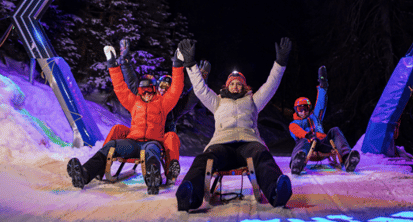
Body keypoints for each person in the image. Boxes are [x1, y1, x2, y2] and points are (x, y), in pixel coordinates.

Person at [175, 37, 294, 211]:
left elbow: (270, 86)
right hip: (221, 145)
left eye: (239, 84)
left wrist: (280, 63)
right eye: (232, 83)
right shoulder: (217, 101)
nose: (236, 86)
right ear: (227, 86)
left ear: (245, 87)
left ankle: (276, 189)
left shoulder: (253, 101)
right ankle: (189, 194)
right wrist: (191, 64)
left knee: (262, 154)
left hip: (249, 143)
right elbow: (200, 89)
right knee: (203, 159)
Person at [66, 41, 184, 194]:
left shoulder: (163, 103)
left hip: (153, 142)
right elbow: (120, 87)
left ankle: (152, 179)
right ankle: (85, 173)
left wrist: (178, 64)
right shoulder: (134, 102)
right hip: (133, 143)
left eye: (150, 90)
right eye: (143, 90)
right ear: (140, 91)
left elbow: (176, 89)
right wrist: (112, 64)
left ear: (154, 90)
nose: (147, 93)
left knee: (151, 150)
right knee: (111, 146)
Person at [289, 66, 360, 174]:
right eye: (300, 109)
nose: (303, 112)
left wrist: (323, 85)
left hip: (322, 144)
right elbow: (296, 131)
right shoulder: (294, 124)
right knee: (302, 141)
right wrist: (308, 135)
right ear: (296, 110)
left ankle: (347, 158)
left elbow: (321, 103)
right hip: (307, 146)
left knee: (335, 130)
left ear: (309, 109)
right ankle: (297, 162)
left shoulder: (314, 117)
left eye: (306, 108)